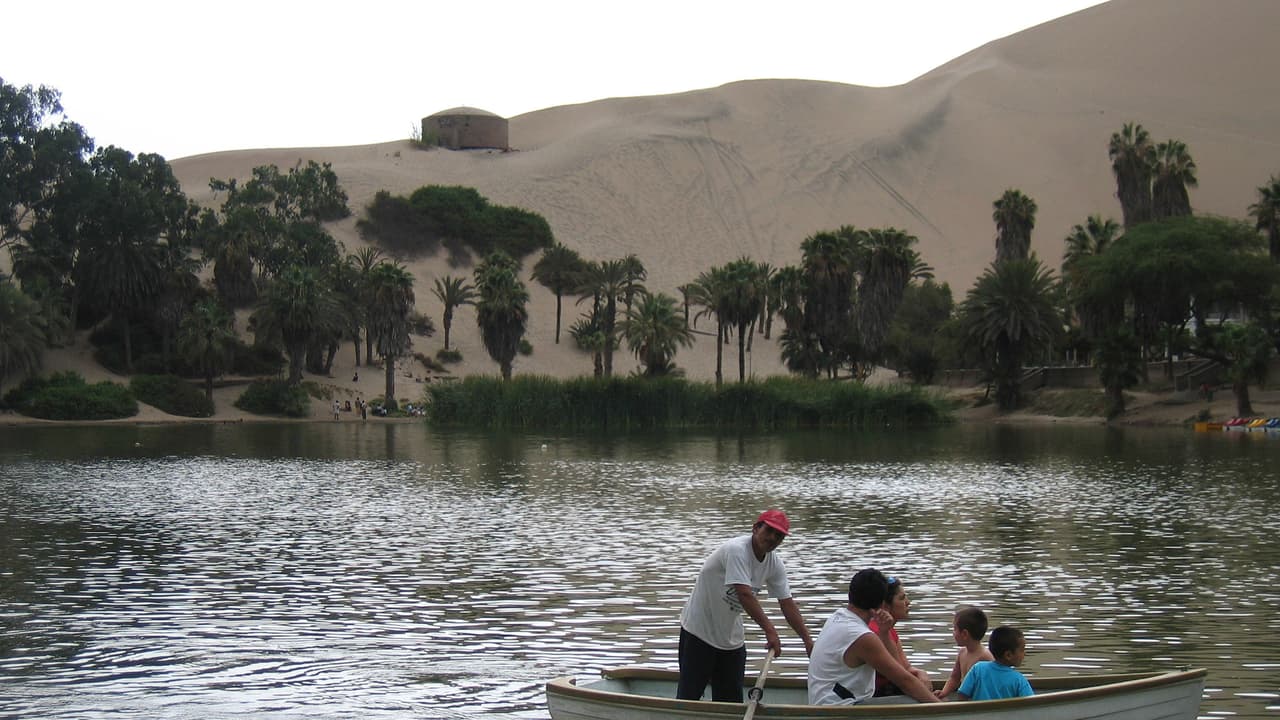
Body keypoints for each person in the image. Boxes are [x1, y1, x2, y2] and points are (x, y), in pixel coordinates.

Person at [676, 510, 814, 703]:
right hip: (699, 632)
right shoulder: (737, 550)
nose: (772, 538)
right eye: (769, 531)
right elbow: (744, 594)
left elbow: (787, 603)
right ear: (756, 528)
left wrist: (807, 640)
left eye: (779, 536)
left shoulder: (774, 563)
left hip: (730, 638)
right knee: (689, 698)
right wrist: (770, 631)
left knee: (731, 702)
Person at [808, 569, 939, 706]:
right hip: (840, 707)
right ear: (882, 604)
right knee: (915, 700)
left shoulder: (837, 617)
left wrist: (884, 633)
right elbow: (904, 681)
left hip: (828, 703)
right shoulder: (862, 637)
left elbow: (900, 668)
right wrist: (941, 708)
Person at [867, 576, 930, 696]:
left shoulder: (890, 630)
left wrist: (920, 673)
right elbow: (902, 677)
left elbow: (906, 667)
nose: (908, 602)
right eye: (902, 598)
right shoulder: (875, 632)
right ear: (885, 605)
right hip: (878, 695)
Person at [955, 626, 1033, 701]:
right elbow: (1030, 703)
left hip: (978, 710)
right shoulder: (1019, 680)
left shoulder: (978, 668)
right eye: (1022, 650)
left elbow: (962, 694)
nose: (1024, 653)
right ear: (1008, 655)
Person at [936, 605, 993, 699]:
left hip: (979, 701)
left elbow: (992, 685)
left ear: (965, 634)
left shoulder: (985, 657)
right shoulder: (962, 652)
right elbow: (955, 678)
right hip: (964, 697)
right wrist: (944, 692)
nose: (953, 633)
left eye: (955, 629)